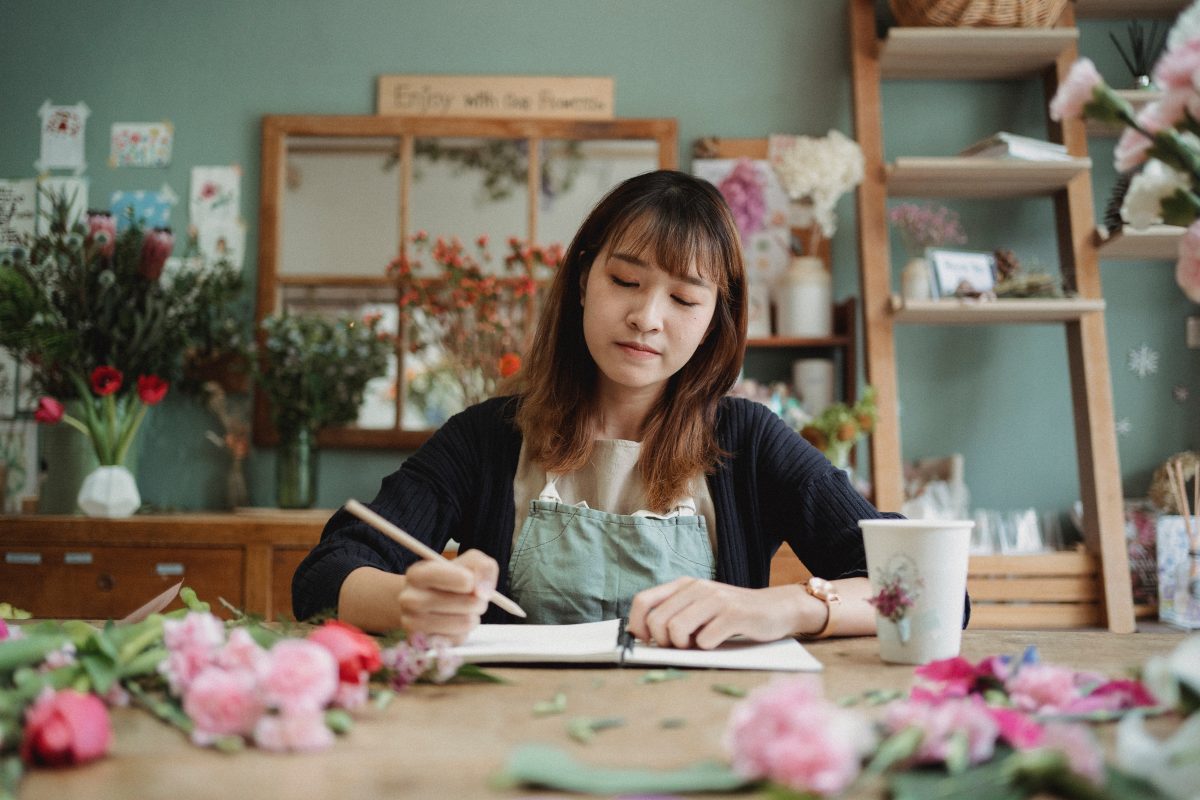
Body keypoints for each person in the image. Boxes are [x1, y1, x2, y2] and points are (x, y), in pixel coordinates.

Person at [293, 169, 902, 649]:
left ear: (716, 316)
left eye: (685, 297)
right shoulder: (486, 438)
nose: (647, 317)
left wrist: (785, 607)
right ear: (585, 279)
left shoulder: (750, 440)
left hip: (705, 735)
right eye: (626, 281)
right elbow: (326, 573)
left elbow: (921, 586)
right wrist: (409, 602)